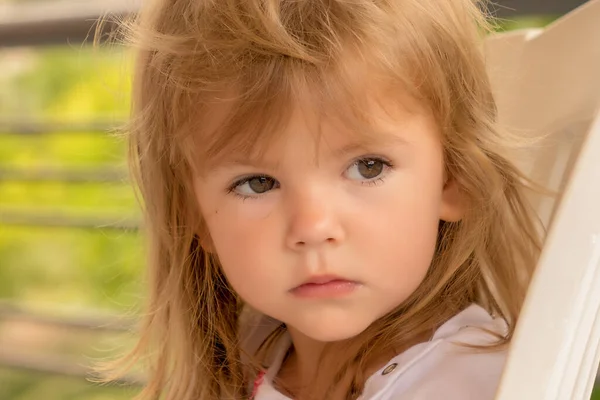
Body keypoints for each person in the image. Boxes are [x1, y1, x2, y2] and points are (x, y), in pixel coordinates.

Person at [103, 0, 543, 398]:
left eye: (368, 167)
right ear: (195, 215)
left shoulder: (467, 384)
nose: (313, 228)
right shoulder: (257, 351)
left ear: (455, 179)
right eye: (257, 183)